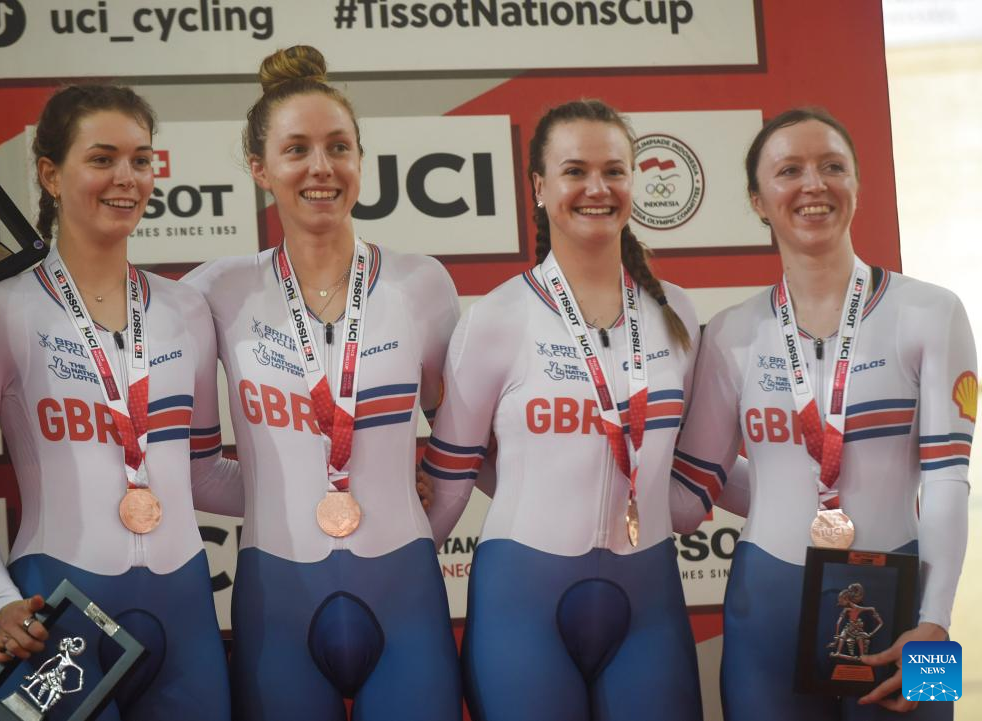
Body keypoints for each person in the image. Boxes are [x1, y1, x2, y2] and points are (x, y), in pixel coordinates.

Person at [182, 45, 462, 721]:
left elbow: (462, 449)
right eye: (296, 149)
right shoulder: (215, 291)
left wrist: (411, 510)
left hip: (406, 593)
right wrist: (282, 490)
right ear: (259, 168)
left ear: (360, 160)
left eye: (339, 147)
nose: (321, 167)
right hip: (276, 599)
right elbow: (193, 469)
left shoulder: (422, 283)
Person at [671, 107, 974, 719]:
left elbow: (949, 479)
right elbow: (693, 492)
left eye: (832, 166)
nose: (814, 184)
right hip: (766, 601)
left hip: (912, 604)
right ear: (758, 200)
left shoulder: (933, 311)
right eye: (790, 171)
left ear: (857, 184)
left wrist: (937, 621)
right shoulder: (730, 333)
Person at [0, 85, 238, 720]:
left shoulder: (187, 309)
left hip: (185, 616)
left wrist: (348, 487)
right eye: (102, 159)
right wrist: (0, 600)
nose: (126, 178)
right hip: (51, 610)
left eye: (141, 160)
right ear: (51, 176)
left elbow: (203, 475)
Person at [422, 98, 704, 721]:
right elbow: (449, 487)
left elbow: (703, 472)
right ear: (539, 187)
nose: (597, 188)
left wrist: (811, 500)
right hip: (523, 606)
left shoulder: (678, 313)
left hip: (651, 600)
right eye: (575, 171)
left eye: (614, 171)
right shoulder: (496, 318)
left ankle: (928, 686)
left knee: (915, 701)